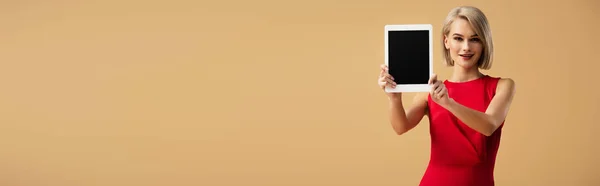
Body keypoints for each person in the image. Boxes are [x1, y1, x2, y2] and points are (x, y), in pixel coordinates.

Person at [377, 6, 516, 186]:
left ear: (484, 43)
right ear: (446, 41)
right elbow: (401, 126)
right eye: (458, 38)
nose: (466, 47)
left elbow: (489, 126)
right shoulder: (429, 92)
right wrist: (394, 97)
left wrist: (448, 103)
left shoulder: (502, 86)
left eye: (475, 39)